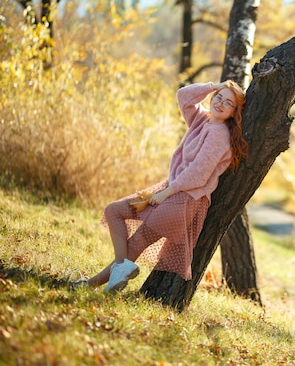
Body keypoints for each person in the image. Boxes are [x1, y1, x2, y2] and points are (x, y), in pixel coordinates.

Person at [74, 80, 247, 292]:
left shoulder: (219, 135)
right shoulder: (201, 120)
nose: (220, 103)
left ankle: (89, 285)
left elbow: (198, 174)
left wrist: (166, 193)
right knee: (114, 211)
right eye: (219, 97)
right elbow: (183, 96)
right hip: (171, 190)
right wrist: (213, 86)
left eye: (228, 103)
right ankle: (118, 270)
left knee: (137, 242)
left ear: (234, 112)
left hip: (184, 199)